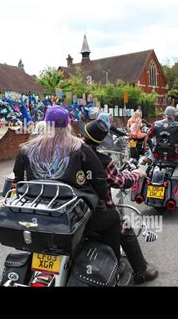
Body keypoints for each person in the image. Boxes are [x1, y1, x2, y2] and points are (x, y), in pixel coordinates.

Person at [13, 106, 122, 260]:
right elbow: (99, 179)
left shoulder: (26, 149)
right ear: (68, 125)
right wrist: (101, 203)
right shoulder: (79, 147)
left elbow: (18, 179)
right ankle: (115, 263)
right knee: (113, 219)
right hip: (71, 216)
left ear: (46, 124)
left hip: (37, 214)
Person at [83, 119, 158, 284]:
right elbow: (119, 182)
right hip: (97, 211)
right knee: (125, 227)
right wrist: (136, 174)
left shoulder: (69, 152)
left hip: (75, 211)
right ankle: (141, 271)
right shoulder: (101, 160)